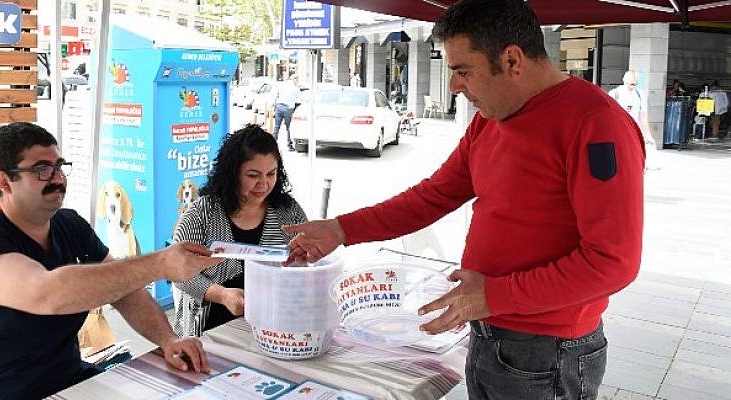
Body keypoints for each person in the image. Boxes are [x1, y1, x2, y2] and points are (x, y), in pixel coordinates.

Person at [283, 1, 644, 399]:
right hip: (487, 330)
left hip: (548, 351)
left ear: (511, 59)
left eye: (462, 71)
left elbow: (613, 263)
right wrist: (341, 229)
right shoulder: (489, 121)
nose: (454, 86)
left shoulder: (596, 124)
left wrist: (492, 295)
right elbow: (432, 196)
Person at [0, 122, 220, 400]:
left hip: (65, 383)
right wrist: (159, 264)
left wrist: (168, 340)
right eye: (42, 170)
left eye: (59, 167)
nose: (57, 178)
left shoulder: (71, 225)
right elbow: (47, 294)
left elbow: (125, 291)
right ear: (3, 181)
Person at [172, 124, 307, 337]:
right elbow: (177, 272)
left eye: (271, 174)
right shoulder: (202, 213)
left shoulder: (288, 211)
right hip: (208, 330)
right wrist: (222, 295)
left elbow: (305, 264)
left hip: (272, 328)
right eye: (253, 175)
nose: (263, 184)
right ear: (232, 173)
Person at [609, 70, 658, 169]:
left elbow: (643, 115)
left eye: (634, 84)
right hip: (619, 129)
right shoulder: (614, 94)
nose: (631, 86)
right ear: (624, 80)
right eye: (630, 84)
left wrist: (648, 135)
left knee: (634, 152)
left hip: (635, 129)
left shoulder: (639, 94)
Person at [272, 74, 301, 150]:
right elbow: (300, 99)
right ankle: (289, 145)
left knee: (276, 126)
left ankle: (272, 144)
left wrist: (274, 107)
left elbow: (276, 95)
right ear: (295, 79)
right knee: (289, 128)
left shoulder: (282, 85)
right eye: (297, 80)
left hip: (279, 107)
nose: (298, 82)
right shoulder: (295, 88)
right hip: (288, 109)